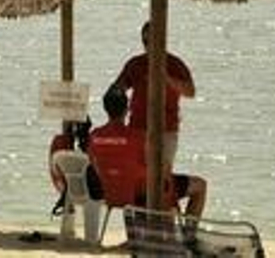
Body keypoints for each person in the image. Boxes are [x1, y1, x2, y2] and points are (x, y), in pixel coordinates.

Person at [88, 87, 207, 218]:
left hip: (112, 194)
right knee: (200, 185)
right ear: (126, 109)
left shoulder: (94, 137)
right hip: (142, 195)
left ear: (106, 109)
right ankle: (189, 233)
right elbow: (162, 167)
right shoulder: (138, 138)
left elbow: (95, 166)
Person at [110, 21, 195, 177]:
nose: (149, 46)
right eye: (146, 42)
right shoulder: (135, 64)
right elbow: (117, 89)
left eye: (154, 41)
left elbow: (190, 92)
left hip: (166, 130)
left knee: (163, 177)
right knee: (137, 175)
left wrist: (167, 79)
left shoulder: (174, 64)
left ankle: (162, 201)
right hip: (137, 128)